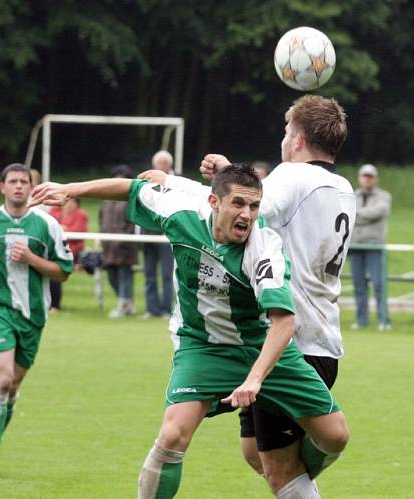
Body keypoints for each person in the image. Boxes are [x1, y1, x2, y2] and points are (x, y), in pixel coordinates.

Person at [31, 164, 349, 498]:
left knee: (335, 436)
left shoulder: (265, 247)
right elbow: (132, 187)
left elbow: (284, 323)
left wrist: (254, 379)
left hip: (261, 347)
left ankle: (296, 481)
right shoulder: (180, 212)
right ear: (214, 202)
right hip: (203, 346)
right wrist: (70, 189)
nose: (248, 215)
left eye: (254, 206)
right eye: (238, 204)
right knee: (171, 436)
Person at [150, 95, 354, 494]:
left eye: (285, 131)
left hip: (287, 343)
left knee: (282, 471)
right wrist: (227, 170)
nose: (283, 139)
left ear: (296, 139)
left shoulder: (292, 176)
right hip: (324, 336)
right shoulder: (342, 187)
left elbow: (244, 206)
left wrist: (169, 186)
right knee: (254, 452)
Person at [0, 163, 73, 477]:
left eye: (24, 181)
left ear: (32, 187)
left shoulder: (47, 225)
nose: (19, 186)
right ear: (2, 187)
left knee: (12, 387)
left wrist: (32, 259)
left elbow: (64, 271)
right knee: (3, 378)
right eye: (13, 181)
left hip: (33, 315)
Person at [349, 164, 392, 331]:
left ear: (375, 178)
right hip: (355, 246)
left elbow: (379, 212)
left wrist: (357, 214)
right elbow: (348, 212)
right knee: (359, 286)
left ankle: (384, 320)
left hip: (375, 246)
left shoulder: (384, 196)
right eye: (364, 176)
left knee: (379, 284)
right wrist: (364, 215)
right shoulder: (352, 195)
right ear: (360, 178)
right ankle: (361, 320)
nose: (367, 179)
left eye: (370, 176)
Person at [100, 164, 138, 318]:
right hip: (108, 246)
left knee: (124, 275)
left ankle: (123, 305)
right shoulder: (106, 201)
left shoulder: (131, 201)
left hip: (125, 246)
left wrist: (122, 239)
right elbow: (101, 220)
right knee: (111, 276)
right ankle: (126, 302)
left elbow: (134, 224)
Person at [141, 150, 175, 318]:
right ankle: (151, 309)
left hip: (168, 237)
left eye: (164, 163)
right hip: (148, 235)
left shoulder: (178, 183)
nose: (162, 166)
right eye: (159, 163)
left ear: (170, 165)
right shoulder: (145, 184)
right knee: (149, 274)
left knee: (168, 275)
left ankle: (166, 309)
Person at [49, 197, 89, 311]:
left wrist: (61, 230)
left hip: (73, 253)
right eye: (67, 201)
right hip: (55, 251)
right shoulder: (55, 213)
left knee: (55, 270)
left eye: (73, 202)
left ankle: (54, 306)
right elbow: (49, 229)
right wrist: (64, 230)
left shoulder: (81, 215)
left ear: (77, 204)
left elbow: (78, 232)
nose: (69, 205)